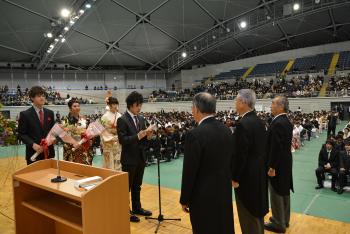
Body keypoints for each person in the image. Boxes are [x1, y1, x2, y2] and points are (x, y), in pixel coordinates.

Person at [180, 92, 234, 234]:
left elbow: (189, 171)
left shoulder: (195, 134)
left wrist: (184, 198)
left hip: (202, 196)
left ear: (197, 109)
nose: (192, 111)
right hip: (224, 192)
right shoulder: (226, 130)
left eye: (192, 108)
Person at [231, 89, 268, 234]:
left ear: (243, 102)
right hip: (259, 173)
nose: (235, 103)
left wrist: (234, 177)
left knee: (248, 215)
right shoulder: (259, 121)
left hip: (246, 177)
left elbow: (240, 155)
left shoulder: (243, 124)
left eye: (236, 100)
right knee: (256, 213)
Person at [117, 91, 153, 223]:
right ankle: (126, 211)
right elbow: (123, 140)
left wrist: (148, 137)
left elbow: (143, 141)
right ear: (131, 105)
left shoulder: (141, 119)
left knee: (137, 185)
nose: (140, 108)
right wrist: (138, 135)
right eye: (138, 105)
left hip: (140, 157)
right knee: (126, 187)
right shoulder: (122, 120)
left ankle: (137, 207)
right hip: (129, 158)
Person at [265, 96, 294, 233]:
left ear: (281, 107)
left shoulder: (277, 123)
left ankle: (278, 223)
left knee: (276, 192)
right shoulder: (286, 121)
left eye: (273, 103)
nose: (271, 106)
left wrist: (272, 167)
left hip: (278, 164)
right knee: (284, 191)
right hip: (286, 162)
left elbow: (276, 147)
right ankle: (284, 219)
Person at [18, 86, 55, 165]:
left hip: (49, 152)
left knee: (50, 176)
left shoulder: (50, 113)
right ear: (32, 98)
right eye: (39, 96)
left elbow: (53, 131)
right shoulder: (25, 114)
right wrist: (33, 144)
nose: (42, 98)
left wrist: (54, 138)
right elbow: (22, 134)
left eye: (43, 96)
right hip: (33, 153)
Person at [62, 99, 93, 165]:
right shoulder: (65, 121)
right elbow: (64, 136)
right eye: (75, 106)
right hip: (73, 147)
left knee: (85, 168)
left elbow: (89, 132)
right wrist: (74, 143)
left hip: (84, 146)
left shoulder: (85, 119)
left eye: (78, 106)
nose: (77, 108)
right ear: (70, 108)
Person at [101, 97, 122, 171]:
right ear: (109, 105)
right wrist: (110, 136)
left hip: (118, 141)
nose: (115, 106)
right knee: (109, 161)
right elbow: (103, 131)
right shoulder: (104, 116)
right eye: (113, 104)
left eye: (116, 103)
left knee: (118, 160)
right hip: (108, 142)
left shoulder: (120, 115)